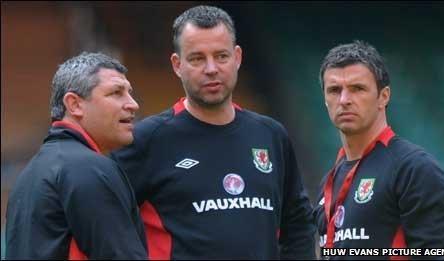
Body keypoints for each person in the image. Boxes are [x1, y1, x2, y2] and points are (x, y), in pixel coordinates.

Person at [111, 5, 316, 260]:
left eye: (221, 56)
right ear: (177, 64)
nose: (211, 69)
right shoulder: (146, 140)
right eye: (197, 58)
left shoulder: (271, 135)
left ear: (238, 57)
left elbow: (298, 224)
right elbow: (103, 223)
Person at [313, 40, 444, 258]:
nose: (344, 100)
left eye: (357, 89)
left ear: (384, 96)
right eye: (334, 90)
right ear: (325, 100)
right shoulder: (329, 181)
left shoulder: (414, 169)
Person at [5, 52, 148, 259]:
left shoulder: (30, 172)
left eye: (129, 93)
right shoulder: (90, 168)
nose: (133, 104)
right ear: (74, 104)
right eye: (116, 93)